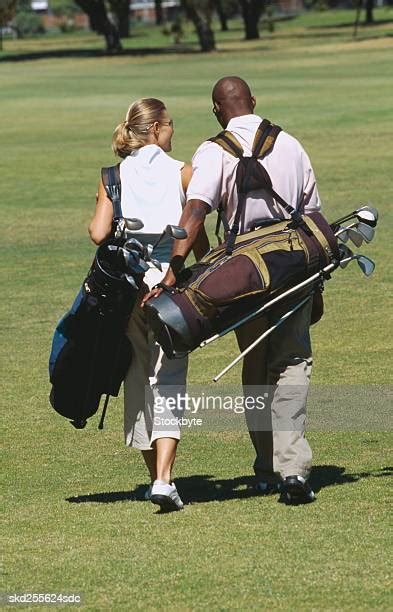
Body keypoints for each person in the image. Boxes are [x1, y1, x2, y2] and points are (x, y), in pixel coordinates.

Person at [143, 77, 320, 504]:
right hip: (295, 265)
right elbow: (314, 214)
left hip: (244, 273)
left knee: (256, 366)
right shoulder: (291, 143)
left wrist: (174, 268)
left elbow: (196, 210)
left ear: (217, 111)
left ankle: (265, 468)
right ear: (254, 102)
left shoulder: (212, 150)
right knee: (292, 360)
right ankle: (292, 468)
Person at [89, 97, 208, 511]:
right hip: (171, 291)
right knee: (169, 379)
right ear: (156, 128)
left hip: (128, 293)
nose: (174, 130)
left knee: (137, 379)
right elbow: (196, 236)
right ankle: (163, 479)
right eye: (171, 124)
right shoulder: (184, 173)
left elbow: (98, 232)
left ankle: (155, 479)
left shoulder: (114, 175)